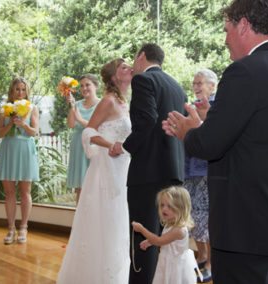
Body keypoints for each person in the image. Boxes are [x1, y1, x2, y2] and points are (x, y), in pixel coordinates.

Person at [163, 0, 268, 283]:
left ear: (243, 25)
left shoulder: (244, 72)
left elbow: (208, 145)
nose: (224, 40)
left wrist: (189, 130)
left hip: (244, 229)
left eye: (226, 30)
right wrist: (205, 126)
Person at [112, 43, 187, 284]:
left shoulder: (143, 81)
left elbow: (146, 121)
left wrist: (123, 146)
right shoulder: (176, 86)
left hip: (148, 172)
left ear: (142, 56)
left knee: (142, 235)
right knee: (162, 235)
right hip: (173, 171)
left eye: (135, 59)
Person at [57, 58, 133, 284]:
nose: (129, 68)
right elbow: (87, 133)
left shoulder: (124, 102)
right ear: (114, 77)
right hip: (105, 169)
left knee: (117, 221)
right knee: (104, 221)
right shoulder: (108, 101)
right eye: (123, 67)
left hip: (122, 168)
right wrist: (110, 145)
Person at [0, 77, 40, 245]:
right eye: (17, 89)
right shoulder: (3, 109)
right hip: (8, 150)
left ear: (26, 91)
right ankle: (11, 228)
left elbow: (34, 132)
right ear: (11, 91)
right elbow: (0, 133)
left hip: (25, 150)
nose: (20, 93)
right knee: (9, 192)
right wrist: (10, 125)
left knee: (25, 191)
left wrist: (23, 125)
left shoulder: (32, 108)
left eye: (23, 89)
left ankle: (23, 227)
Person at [184, 68, 217, 283]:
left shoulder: (218, 108)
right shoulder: (192, 107)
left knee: (207, 217)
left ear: (212, 86)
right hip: (190, 168)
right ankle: (202, 255)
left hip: (207, 171)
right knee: (194, 215)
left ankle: (211, 263)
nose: (196, 87)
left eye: (200, 83)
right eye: (194, 83)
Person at [132, 186, 199, 284]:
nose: (164, 209)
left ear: (180, 208)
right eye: (162, 205)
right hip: (167, 262)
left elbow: (159, 241)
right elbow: (165, 240)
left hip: (175, 266)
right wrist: (150, 241)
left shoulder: (179, 230)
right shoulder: (170, 223)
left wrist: (142, 230)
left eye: (169, 206)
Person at [65, 74, 100, 204]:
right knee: (80, 186)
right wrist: (72, 106)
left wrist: (80, 119)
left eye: (87, 85)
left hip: (94, 144)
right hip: (78, 145)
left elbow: (97, 127)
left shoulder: (101, 104)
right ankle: (80, 220)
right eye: (82, 86)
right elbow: (71, 124)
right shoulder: (77, 104)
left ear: (95, 86)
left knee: (93, 185)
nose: (84, 88)